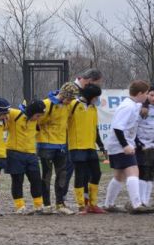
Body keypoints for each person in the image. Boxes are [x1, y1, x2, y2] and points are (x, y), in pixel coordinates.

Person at [103, 80, 150, 214]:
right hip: (119, 145)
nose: (147, 96)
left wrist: (137, 142)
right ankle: (136, 204)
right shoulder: (127, 107)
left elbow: (130, 127)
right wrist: (125, 145)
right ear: (140, 93)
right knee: (133, 172)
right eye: (146, 93)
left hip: (120, 144)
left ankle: (108, 204)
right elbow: (118, 128)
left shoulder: (135, 104)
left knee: (119, 176)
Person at [37, 82, 79, 215]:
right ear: (63, 95)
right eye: (69, 99)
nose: (70, 102)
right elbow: (37, 122)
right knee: (47, 176)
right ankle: (46, 204)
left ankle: (60, 204)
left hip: (61, 145)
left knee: (62, 175)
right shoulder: (47, 104)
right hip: (46, 145)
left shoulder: (68, 105)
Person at [67, 84, 106, 213]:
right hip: (77, 147)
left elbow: (95, 128)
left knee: (96, 174)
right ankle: (81, 204)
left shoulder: (93, 108)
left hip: (91, 147)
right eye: (96, 97)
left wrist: (100, 145)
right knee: (81, 176)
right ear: (90, 97)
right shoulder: (73, 105)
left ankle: (92, 204)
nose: (97, 100)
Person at [6, 100, 46, 214]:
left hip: (31, 154)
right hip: (14, 153)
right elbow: (1, 109)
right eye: (37, 115)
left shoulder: (36, 122)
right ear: (31, 112)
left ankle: (38, 205)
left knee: (36, 180)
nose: (38, 118)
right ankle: (20, 206)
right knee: (18, 181)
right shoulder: (15, 114)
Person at [135, 85, 154, 208]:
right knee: (142, 172)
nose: (153, 98)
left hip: (152, 146)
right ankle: (140, 200)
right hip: (141, 146)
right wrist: (138, 143)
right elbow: (133, 126)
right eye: (151, 95)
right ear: (147, 95)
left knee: (150, 174)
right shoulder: (140, 108)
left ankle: (146, 201)